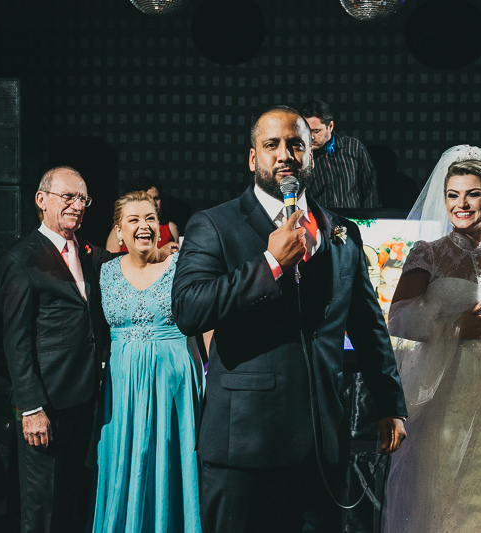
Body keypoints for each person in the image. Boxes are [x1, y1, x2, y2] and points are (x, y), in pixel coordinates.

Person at [171, 105, 408, 532]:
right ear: (253, 158)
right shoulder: (215, 224)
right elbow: (189, 308)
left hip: (321, 444)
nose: (285, 154)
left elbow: (368, 324)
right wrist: (269, 265)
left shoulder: (342, 231)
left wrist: (390, 404)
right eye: (272, 145)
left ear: (311, 155)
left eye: (296, 145)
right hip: (243, 445)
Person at [382, 145, 481, 532]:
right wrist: (454, 328)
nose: (461, 204)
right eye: (453, 195)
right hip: (440, 393)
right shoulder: (429, 254)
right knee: (441, 496)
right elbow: (397, 319)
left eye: (472, 194)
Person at [0, 166, 110, 532]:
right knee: (40, 504)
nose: (77, 205)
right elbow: (14, 340)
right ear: (41, 200)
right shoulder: (21, 259)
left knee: (71, 497)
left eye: (83, 199)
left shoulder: (87, 252)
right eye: (69, 197)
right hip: (45, 404)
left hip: (83, 400)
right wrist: (31, 407)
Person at [93, 191, 204, 532]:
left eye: (150, 218)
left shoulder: (181, 268)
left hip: (174, 388)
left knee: (171, 463)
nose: (144, 225)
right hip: (122, 391)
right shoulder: (105, 272)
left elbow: (206, 325)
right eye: (134, 220)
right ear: (119, 230)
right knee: (125, 465)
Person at [300, 99, 379, 208]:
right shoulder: (300, 155)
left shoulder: (353, 147)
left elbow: (370, 188)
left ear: (330, 126)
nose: (311, 137)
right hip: (318, 217)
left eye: (316, 131)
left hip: (353, 216)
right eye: (307, 131)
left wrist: (369, 216)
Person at [105, 178, 180, 254]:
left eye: (156, 198)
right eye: (148, 198)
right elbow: (110, 259)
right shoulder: (120, 230)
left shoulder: (170, 228)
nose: (154, 203)